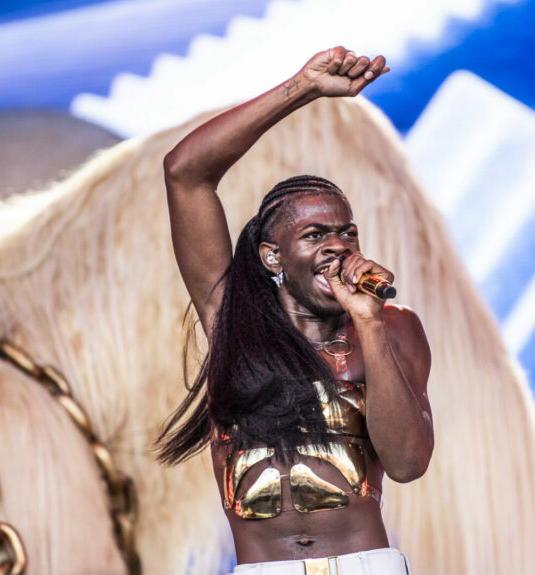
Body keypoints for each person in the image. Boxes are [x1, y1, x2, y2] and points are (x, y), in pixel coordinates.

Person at [156, 46, 433, 574]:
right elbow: (184, 173)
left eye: (347, 232)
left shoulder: (392, 325)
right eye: (315, 235)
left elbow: (407, 463)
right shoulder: (232, 320)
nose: (338, 245)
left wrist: (369, 324)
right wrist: (301, 88)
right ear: (272, 256)